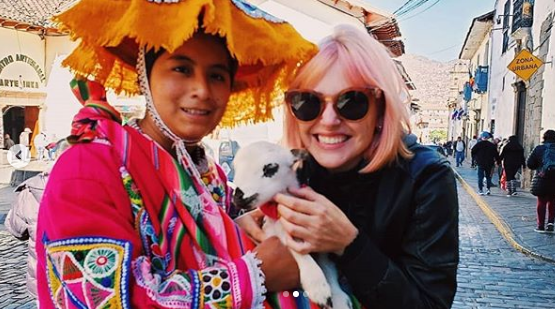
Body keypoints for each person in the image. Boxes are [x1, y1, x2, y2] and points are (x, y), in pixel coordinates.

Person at [36, 0, 318, 308]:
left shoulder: (208, 172)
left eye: (217, 75)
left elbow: (203, 247)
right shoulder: (87, 168)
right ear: (146, 75)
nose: (202, 90)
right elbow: (97, 299)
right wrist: (253, 276)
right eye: (181, 69)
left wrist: (239, 228)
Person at [240, 25, 459, 308]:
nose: (328, 120)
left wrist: (350, 245)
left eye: (351, 101)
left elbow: (430, 304)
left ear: (381, 109)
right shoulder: (299, 169)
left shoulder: (426, 177)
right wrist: (250, 223)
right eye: (308, 102)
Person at [4, 140, 70, 300]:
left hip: (43, 281)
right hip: (84, 281)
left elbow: (15, 230)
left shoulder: (31, 190)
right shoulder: (98, 187)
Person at [527, 129, 555, 233]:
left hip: (542, 178)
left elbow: (530, 163)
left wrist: (539, 168)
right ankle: (551, 222)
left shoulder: (539, 148)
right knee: (553, 201)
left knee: (541, 201)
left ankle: (540, 226)